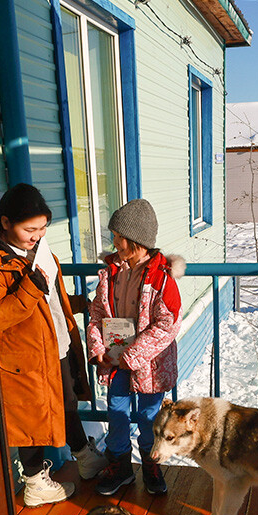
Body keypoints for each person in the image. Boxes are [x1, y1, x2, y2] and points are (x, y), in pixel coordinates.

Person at [0, 183, 105, 506]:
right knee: (31, 416)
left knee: (65, 403)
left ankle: (84, 456)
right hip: (25, 357)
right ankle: (35, 481)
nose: (37, 235)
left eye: (43, 228)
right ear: (6, 222)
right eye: (30, 229)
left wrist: (80, 304)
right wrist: (32, 285)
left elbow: (51, 300)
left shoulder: (42, 252)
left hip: (57, 345)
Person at [87, 198, 185, 496]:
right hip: (115, 363)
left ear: (135, 241)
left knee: (148, 417)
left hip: (149, 366)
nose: (113, 242)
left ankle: (150, 464)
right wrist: (97, 347)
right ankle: (121, 467)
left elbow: (167, 325)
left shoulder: (161, 279)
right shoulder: (110, 273)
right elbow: (96, 315)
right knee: (117, 413)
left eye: (118, 237)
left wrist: (132, 355)